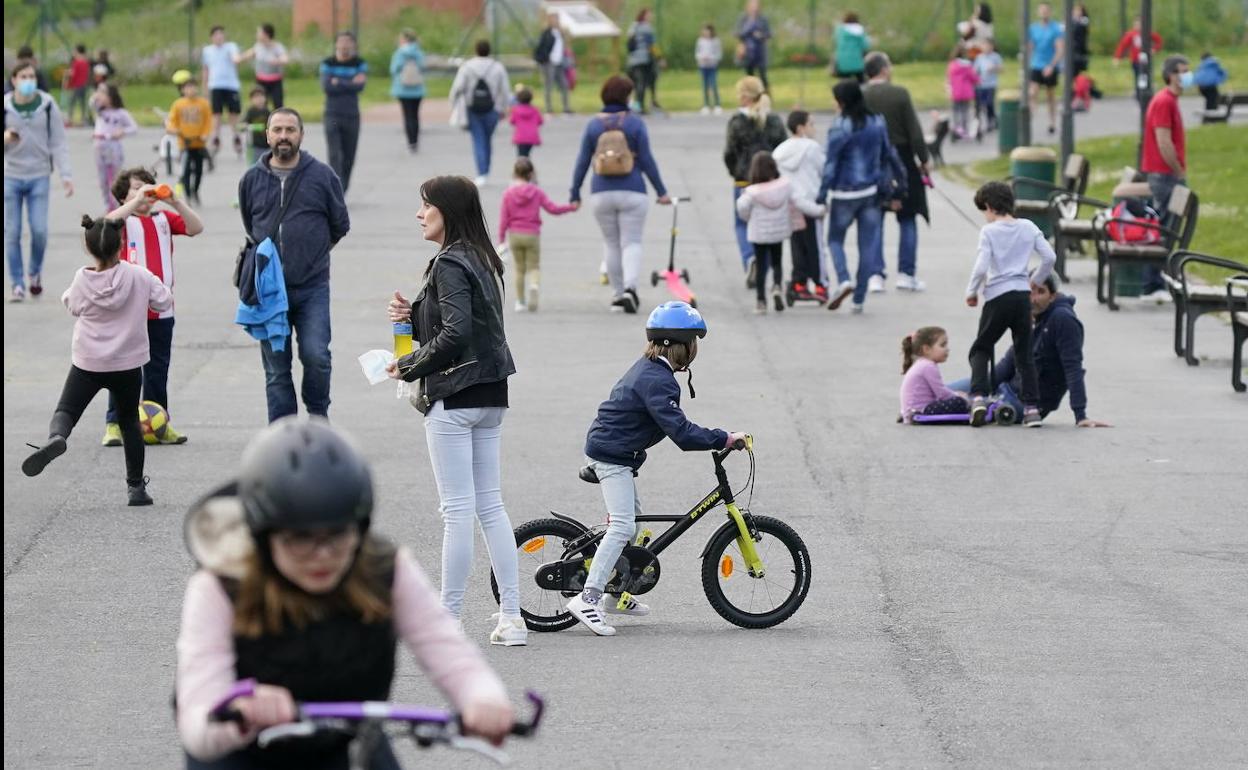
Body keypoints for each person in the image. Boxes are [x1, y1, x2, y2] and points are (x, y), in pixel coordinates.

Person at [175, 417, 516, 766]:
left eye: (338, 534)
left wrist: (483, 699)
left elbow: (449, 651)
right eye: (300, 539)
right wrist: (241, 710)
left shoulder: (384, 567)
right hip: (240, 750)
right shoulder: (221, 584)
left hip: (347, 740)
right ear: (264, 535)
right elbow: (197, 723)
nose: (323, 555)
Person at [384, 176, 523, 645]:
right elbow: (465, 326)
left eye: (426, 206)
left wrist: (407, 365)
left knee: (457, 511)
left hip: (455, 396)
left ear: (447, 210)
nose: (419, 214)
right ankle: (512, 617)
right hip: (491, 393)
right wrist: (413, 316)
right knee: (490, 506)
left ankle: (449, 619)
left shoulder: (448, 262)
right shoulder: (483, 257)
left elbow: (456, 333)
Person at [566, 302, 746, 636]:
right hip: (612, 456)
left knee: (632, 525)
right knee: (622, 526)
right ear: (680, 346)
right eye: (693, 342)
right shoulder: (658, 381)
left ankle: (614, 592)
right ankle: (588, 598)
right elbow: (682, 433)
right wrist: (724, 438)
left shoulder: (652, 370)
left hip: (617, 452)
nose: (695, 349)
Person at [21, 214, 171, 505]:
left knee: (66, 410)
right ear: (121, 244)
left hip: (88, 362)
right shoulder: (138, 275)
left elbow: (72, 305)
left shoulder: (82, 278)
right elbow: (163, 300)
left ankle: (57, 438)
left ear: (88, 248)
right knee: (129, 421)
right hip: (127, 363)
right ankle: (136, 488)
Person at [238, 107, 350, 423]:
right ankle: (283, 432)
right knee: (276, 368)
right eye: (277, 130)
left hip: (312, 286)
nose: (284, 136)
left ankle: (318, 418)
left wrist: (312, 254)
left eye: (290, 129)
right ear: (267, 135)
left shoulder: (322, 176)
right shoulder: (251, 179)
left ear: (301, 134)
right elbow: (251, 225)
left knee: (317, 356)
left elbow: (339, 225)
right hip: (269, 290)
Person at [100, 166, 204, 447]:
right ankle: (114, 423)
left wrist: (175, 201)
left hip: (161, 308)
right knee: (122, 367)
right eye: (136, 187)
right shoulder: (123, 221)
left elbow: (196, 227)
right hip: (127, 308)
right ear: (123, 196)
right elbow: (106, 224)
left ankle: (159, 422)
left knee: (158, 368)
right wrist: (136, 201)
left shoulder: (163, 219)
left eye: (149, 187)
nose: (145, 192)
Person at [950, 273, 1111, 427]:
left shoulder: (1063, 320)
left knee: (952, 405)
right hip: (1005, 388)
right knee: (944, 391)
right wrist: (981, 390)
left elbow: (1073, 368)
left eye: (1040, 292)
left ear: (1052, 296)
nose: (1033, 299)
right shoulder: (1029, 313)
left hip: (1025, 403)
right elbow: (1007, 364)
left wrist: (1080, 415)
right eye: (1030, 291)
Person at [570, 75, 669, 314]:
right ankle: (630, 289)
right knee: (631, 242)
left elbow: (582, 161)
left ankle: (617, 294)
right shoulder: (635, 123)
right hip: (633, 191)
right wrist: (661, 191)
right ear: (626, 96)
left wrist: (575, 192)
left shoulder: (593, 125)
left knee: (611, 243)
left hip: (601, 192)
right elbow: (647, 160)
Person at [964, 181, 1055, 427]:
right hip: (1022, 296)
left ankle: (978, 397)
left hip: (998, 296)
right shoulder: (1028, 226)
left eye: (984, 210)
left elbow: (981, 266)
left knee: (981, 348)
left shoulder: (989, 231)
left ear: (990, 206)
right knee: (1024, 354)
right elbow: (1049, 257)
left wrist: (971, 291)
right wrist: (1035, 282)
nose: (985, 216)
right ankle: (1032, 409)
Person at [817, 79, 905, 314]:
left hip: (844, 193)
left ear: (842, 102)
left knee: (834, 240)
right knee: (867, 246)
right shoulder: (877, 121)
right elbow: (889, 154)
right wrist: (900, 185)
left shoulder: (840, 126)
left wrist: (822, 194)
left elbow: (830, 165)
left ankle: (844, 279)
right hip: (871, 193)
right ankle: (859, 299)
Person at [5, 61, 74, 302]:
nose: (28, 81)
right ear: (14, 80)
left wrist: (66, 175)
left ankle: (34, 273)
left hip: (39, 175)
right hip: (11, 176)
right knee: (12, 232)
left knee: (39, 230)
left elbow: (58, 141)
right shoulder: (6, 106)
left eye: (31, 76)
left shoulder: (47, 105)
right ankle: (17, 283)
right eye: (23, 76)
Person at [863, 52, 930, 294]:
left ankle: (875, 274)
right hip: (902, 160)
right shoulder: (900, 94)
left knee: (874, 220)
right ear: (883, 69)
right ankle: (906, 273)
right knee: (907, 217)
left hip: (871, 161)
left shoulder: (862, 96)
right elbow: (915, 131)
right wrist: (923, 159)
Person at [736, 150, 825, 314]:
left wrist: (749, 218)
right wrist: (819, 210)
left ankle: (761, 301)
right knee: (777, 261)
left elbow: (742, 208)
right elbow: (799, 202)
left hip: (759, 233)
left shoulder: (752, 192)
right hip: (778, 232)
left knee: (761, 266)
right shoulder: (785, 186)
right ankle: (777, 286)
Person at [723, 76, 787, 287]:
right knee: (768, 228)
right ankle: (764, 266)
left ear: (744, 96)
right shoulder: (773, 120)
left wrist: (735, 172)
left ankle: (750, 257)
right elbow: (783, 147)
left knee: (742, 224)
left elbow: (729, 153)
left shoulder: (737, 122)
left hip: (744, 180)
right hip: (769, 180)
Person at [1139, 55, 1191, 302]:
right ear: (1171, 75)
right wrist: (1178, 170)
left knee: (1166, 227)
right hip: (1165, 175)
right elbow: (1164, 141)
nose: (1187, 76)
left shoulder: (1169, 100)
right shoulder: (1164, 102)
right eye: (1183, 71)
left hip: (1165, 174)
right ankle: (1152, 284)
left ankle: (1158, 279)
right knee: (1163, 229)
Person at [498, 158, 575, 312]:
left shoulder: (508, 193)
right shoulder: (536, 192)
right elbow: (553, 209)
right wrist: (571, 207)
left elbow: (503, 219)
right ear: (531, 174)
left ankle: (520, 302)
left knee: (519, 269)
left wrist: (501, 239)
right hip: (532, 234)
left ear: (514, 173)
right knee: (534, 267)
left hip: (515, 235)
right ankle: (534, 285)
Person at [773, 109, 828, 302]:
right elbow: (824, 170)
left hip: (791, 204)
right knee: (816, 246)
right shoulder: (812, 148)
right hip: (811, 202)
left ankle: (799, 282)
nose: (814, 128)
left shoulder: (779, 151)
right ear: (801, 127)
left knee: (797, 244)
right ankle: (821, 284)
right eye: (811, 124)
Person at [450, 40, 510, 188]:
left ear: (475, 50)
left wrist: (454, 105)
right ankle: (486, 169)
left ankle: (482, 173)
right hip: (492, 109)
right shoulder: (497, 67)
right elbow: (505, 90)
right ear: (489, 50)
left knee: (478, 139)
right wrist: (503, 108)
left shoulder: (467, 67)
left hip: (472, 109)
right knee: (487, 139)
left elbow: (457, 88)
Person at [319, 32, 368, 193]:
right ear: (336, 44)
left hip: (352, 114)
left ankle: (343, 188)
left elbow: (360, 86)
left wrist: (338, 81)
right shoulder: (328, 63)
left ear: (353, 45)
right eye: (341, 42)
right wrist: (349, 82)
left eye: (348, 42)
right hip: (332, 113)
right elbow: (327, 87)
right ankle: (336, 189)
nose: (344, 45)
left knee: (349, 156)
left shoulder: (359, 63)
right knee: (335, 155)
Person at [899, 326, 967, 422]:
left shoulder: (922, 363)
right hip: (920, 411)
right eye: (942, 345)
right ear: (926, 349)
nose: (947, 349)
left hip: (913, 410)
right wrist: (958, 396)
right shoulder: (928, 366)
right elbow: (941, 394)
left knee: (957, 398)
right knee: (960, 402)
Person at [89, 83, 137, 209]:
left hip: (113, 148)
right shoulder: (100, 111)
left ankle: (117, 206)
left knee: (114, 179)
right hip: (99, 148)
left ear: (111, 96)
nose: (100, 96)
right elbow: (91, 103)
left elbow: (133, 128)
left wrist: (122, 132)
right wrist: (97, 94)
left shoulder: (120, 113)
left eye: (103, 93)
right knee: (103, 180)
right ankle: (108, 206)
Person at [167, 76, 212, 206]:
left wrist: (205, 134)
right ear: (182, 90)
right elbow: (172, 121)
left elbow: (208, 121)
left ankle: (195, 190)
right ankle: (187, 195)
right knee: (186, 170)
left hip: (199, 143)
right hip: (185, 143)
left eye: (193, 87)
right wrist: (173, 130)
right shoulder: (178, 104)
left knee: (199, 170)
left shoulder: (203, 104)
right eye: (187, 87)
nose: (191, 90)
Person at [202, 26, 244, 157]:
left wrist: (239, 57)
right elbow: (206, 70)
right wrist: (205, 88)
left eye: (221, 34)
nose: (219, 37)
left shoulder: (230, 47)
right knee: (216, 114)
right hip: (215, 85)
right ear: (212, 37)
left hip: (231, 85)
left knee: (233, 113)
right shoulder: (207, 51)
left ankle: (236, 136)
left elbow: (236, 58)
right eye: (216, 35)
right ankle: (216, 138)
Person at [1027, 2, 1064, 136]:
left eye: (1046, 10)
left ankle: (1052, 122)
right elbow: (1030, 48)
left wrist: (1051, 66)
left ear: (1050, 12)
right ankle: (1031, 115)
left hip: (1050, 65)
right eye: (1041, 10)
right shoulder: (1033, 29)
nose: (1044, 13)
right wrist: (1026, 64)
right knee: (1032, 92)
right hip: (1036, 65)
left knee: (1050, 95)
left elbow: (1060, 49)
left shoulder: (1055, 29)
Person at [389, 29, 426, 154]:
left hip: (403, 89)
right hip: (417, 89)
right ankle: (416, 140)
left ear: (404, 40)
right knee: (415, 115)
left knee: (407, 115)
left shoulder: (399, 53)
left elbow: (394, 69)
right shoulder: (418, 52)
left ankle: (410, 142)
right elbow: (423, 67)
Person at [1112, 15, 1163, 104]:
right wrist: (1117, 57)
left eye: (1139, 24)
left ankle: (1146, 91)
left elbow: (1159, 41)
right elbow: (1123, 45)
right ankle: (1139, 93)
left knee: (1145, 76)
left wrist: (1154, 49)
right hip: (1135, 60)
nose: (1138, 26)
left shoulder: (1148, 33)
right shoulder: (1131, 34)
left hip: (1146, 60)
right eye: (1136, 24)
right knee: (1138, 76)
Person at [238, 23, 288, 109]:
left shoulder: (277, 47)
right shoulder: (258, 46)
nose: (257, 35)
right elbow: (246, 55)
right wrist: (238, 58)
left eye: (259, 32)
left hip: (275, 81)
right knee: (260, 105)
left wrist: (277, 61)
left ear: (266, 34)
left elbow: (285, 59)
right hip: (261, 81)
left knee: (278, 104)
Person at [533, 11, 572, 115]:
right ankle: (549, 108)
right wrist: (543, 60)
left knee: (564, 84)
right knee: (548, 85)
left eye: (557, 19)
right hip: (548, 63)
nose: (555, 21)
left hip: (559, 62)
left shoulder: (560, 32)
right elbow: (541, 48)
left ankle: (566, 107)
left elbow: (565, 45)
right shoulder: (546, 33)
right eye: (553, 19)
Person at [734, 0, 772, 92]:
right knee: (749, 77)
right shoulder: (743, 19)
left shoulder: (763, 19)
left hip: (760, 52)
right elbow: (737, 33)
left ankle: (765, 96)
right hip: (747, 52)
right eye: (752, 6)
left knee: (763, 76)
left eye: (756, 6)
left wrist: (761, 35)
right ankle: (751, 97)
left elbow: (769, 34)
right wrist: (747, 31)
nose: (754, 8)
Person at [626, 9, 658, 114]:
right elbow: (652, 45)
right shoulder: (647, 28)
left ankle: (636, 106)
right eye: (649, 15)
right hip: (644, 59)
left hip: (632, 60)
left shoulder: (633, 26)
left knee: (635, 84)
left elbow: (629, 42)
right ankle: (640, 106)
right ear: (644, 16)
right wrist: (659, 57)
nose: (651, 17)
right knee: (642, 84)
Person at [947, 45, 979, 140]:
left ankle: (957, 128)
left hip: (955, 92)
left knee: (956, 111)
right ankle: (964, 129)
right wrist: (978, 80)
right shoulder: (967, 65)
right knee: (965, 111)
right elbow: (974, 78)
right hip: (966, 92)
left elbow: (949, 78)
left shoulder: (952, 65)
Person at [972, 40, 1003, 131]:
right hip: (981, 85)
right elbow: (975, 71)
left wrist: (994, 68)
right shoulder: (979, 57)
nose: (986, 48)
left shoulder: (996, 56)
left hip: (991, 84)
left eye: (988, 46)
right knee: (979, 105)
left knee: (989, 104)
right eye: (984, 46)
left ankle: (991, 121)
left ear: (992, 47)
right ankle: (978, 125)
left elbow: (1001, 69)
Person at [833, 12, 870, 82]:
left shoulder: (840, 30)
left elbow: (835, 42)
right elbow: (865, 45)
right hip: (857, 60)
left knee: (844, 81)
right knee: (861, 81)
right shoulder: (860, 30)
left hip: (843, 60)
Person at [237, 87, 270, 166]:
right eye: (256, 97)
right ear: (251, 100)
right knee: (254, 164)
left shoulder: (267, 112)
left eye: (261, 96)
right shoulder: (251, 112)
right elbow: (242, 125)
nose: (259, 99)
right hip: (254, 145)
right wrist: (245, 126)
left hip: (267, 144)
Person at [62, 44, 93, 128]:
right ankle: (83, 119)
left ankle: (69, 119)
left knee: (72, 102)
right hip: (84, 84)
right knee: (82, 102)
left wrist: (67, 73)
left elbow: (73, 73)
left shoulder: (76, 62)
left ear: (77, 51)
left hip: (77, 85)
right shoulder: (86, 62)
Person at [696, 24, 723, 115]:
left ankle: (717, 104)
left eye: (707, 31)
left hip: (712, 66)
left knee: (713, 84)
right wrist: (701, 58)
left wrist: (711, 58)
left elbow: (718, 54)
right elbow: (697, 53)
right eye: (704, 30)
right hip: (703, 66)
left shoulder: (715, 41)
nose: (706, 32)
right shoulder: (700, 41)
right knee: (705, 86)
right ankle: (706, 105)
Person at [509, 86, 542, 157]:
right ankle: (527, 162)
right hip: (532, 136)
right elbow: (540, 121)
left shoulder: (516, 110)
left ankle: (524, 163)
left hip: (520, 137)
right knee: (526, 154)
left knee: (521, 155)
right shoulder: (535, 110)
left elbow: (512, 121)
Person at [1070, 4, 1091, 76]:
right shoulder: (1071, 21)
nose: (1077, 12)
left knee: (1077, 71)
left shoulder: (1084, 21)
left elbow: (1080, 25)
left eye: (1079, 10)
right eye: (1075, 10)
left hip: (1079, 50)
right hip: (1072, 50)